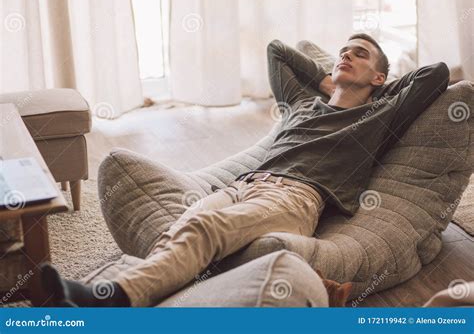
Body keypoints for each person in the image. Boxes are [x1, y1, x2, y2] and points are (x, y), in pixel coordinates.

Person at [40, 33, 450, 307]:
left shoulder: (377, 115)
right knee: (180, 231)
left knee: (203, 231)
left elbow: (437, 75)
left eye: (359, 54)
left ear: (380, 77)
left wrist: (374, 88)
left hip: (294, 195)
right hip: (241, 187)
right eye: (344, 49)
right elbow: (277, 51)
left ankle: (107, 300)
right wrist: (330, 83)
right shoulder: (303, 106)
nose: (346, 54)